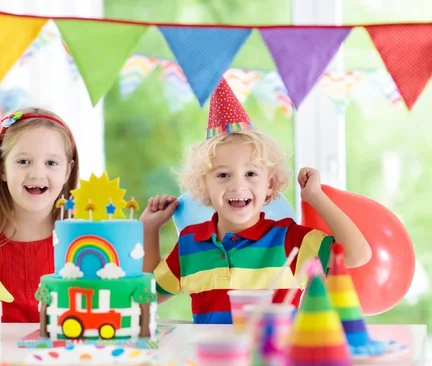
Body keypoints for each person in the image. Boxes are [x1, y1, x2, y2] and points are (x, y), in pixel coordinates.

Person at [140, 80, 371, 324]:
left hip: (275, 361)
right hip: (211, 361)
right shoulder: (190, 244)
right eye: (222, 175)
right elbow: (149, 296)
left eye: (251, 174)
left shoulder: (291, 241)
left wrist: (316, 197)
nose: (237, 186)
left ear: (269, 184)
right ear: (203, 185)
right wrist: (149, 230)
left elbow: (357, 255)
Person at [0, 107, 79, 323]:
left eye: (51, 163)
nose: (37, 173)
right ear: (2, 169)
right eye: (23, 161)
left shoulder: (83, 241)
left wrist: (150, 230)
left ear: (67, 171)